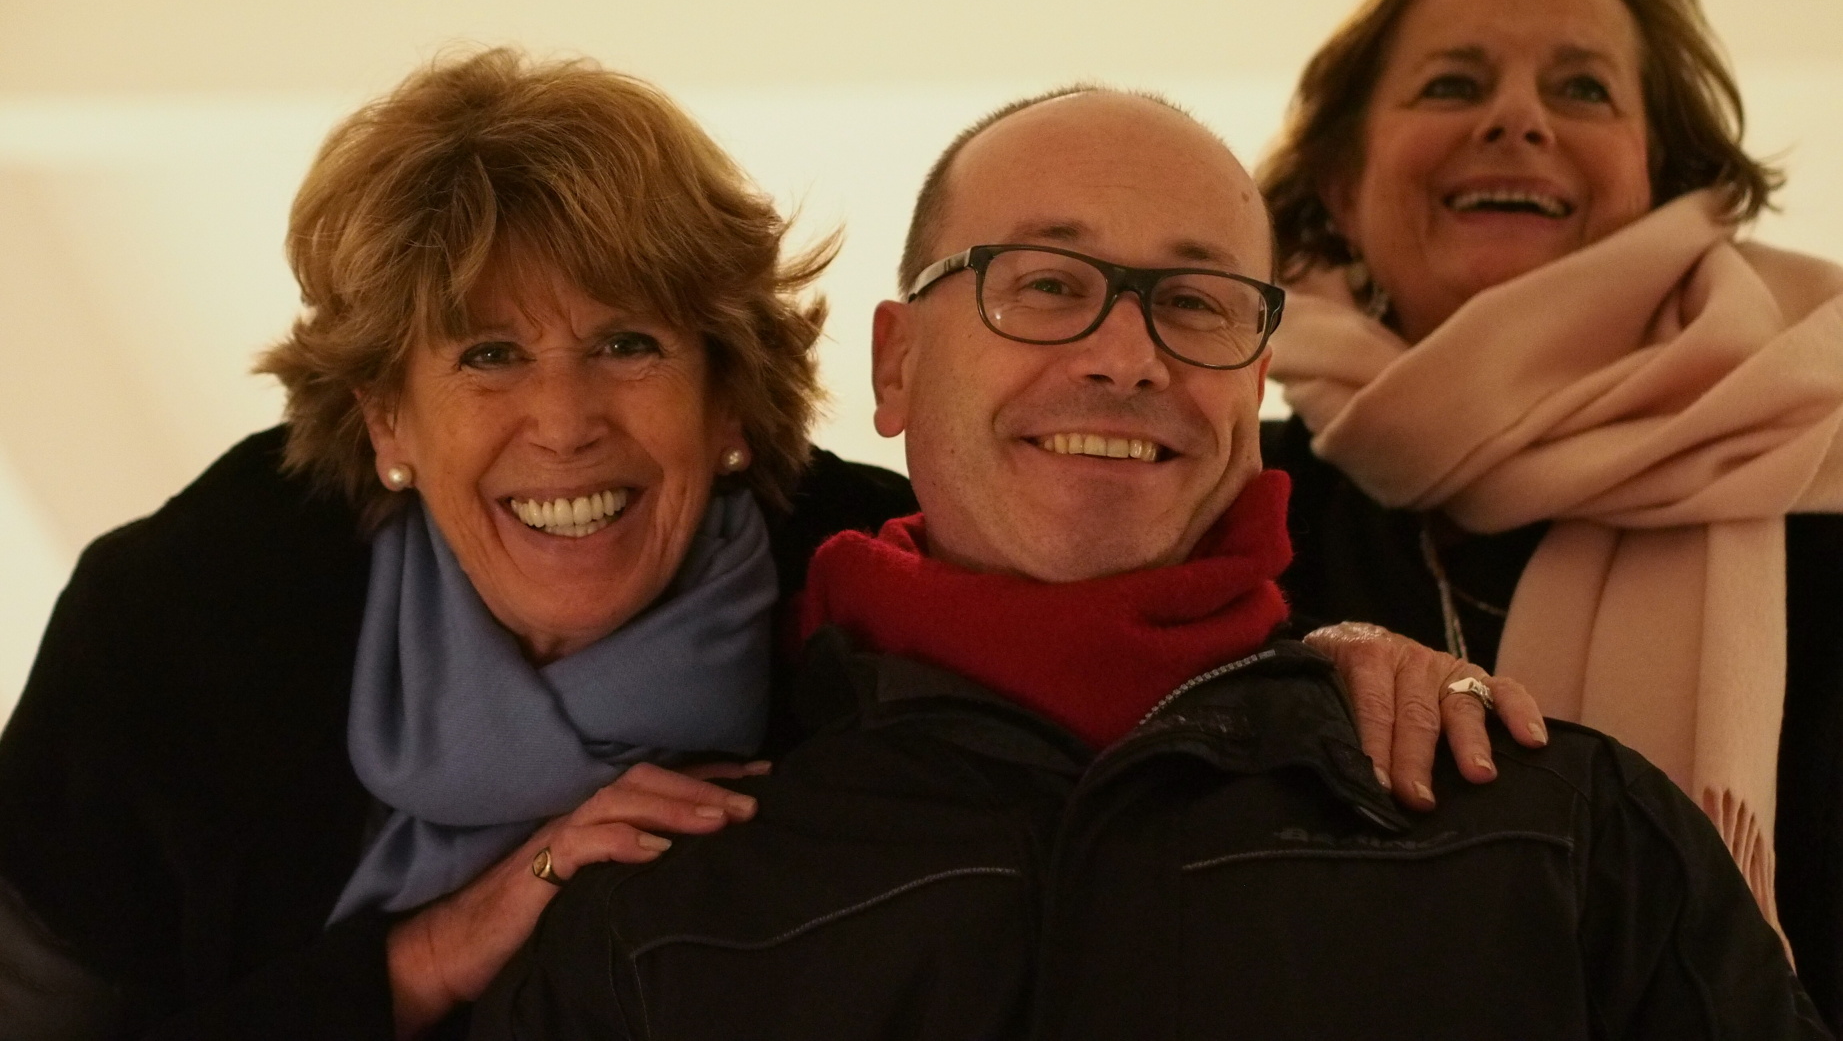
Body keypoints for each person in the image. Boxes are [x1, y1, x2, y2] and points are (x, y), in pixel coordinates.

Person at [472, 87, 1824, 1039]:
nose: (1126, 356)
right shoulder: (666, 903)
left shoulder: (1556, 826)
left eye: (1194, 301)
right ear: (895, 365)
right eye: (1045, 283)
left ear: (1252, 382)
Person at [0, 48, 917, 1040]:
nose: (563, 423)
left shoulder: (893, 605)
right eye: (490, 354)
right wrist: (431, 955)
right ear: (388, 422)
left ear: (727, 396)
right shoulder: (182, 619)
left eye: (626, 344)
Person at [1256, 0, 1843, 1023]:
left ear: (1666, 180)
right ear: (1340, 185)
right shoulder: (1234, 511)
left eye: (1581, 87)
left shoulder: (1819, 484)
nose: (1517, 119)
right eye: (1451, 84)